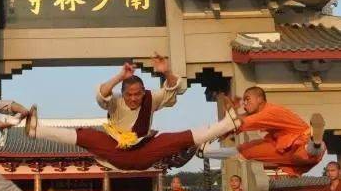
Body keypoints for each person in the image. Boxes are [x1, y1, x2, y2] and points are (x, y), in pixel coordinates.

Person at [26, 55, 239, 171]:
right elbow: (102, 93)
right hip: (117, 151)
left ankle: (228, 124)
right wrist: (120, 76)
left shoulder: (150, 98)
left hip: (144, 151)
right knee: (87, 135)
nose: (135, 98)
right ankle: (36, 130)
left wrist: (166, 71)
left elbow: (171, 90)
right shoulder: (116, 101)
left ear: (143, 92)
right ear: (123, 93)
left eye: (138, 94)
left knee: (178, 138)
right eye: (130, 95)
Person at [212, 87, 326, 177]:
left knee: (302, 154)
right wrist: (230, 113)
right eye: (244, 101)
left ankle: (315, 145)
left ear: (260, 99)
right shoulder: (262, 113)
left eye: (248, 99)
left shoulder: (270, 112)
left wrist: (224, 126)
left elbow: (240, 123)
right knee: (246, 151)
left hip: (300, 141)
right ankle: (206, 153)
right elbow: (239, 120)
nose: (245, 103)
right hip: (283, 148)